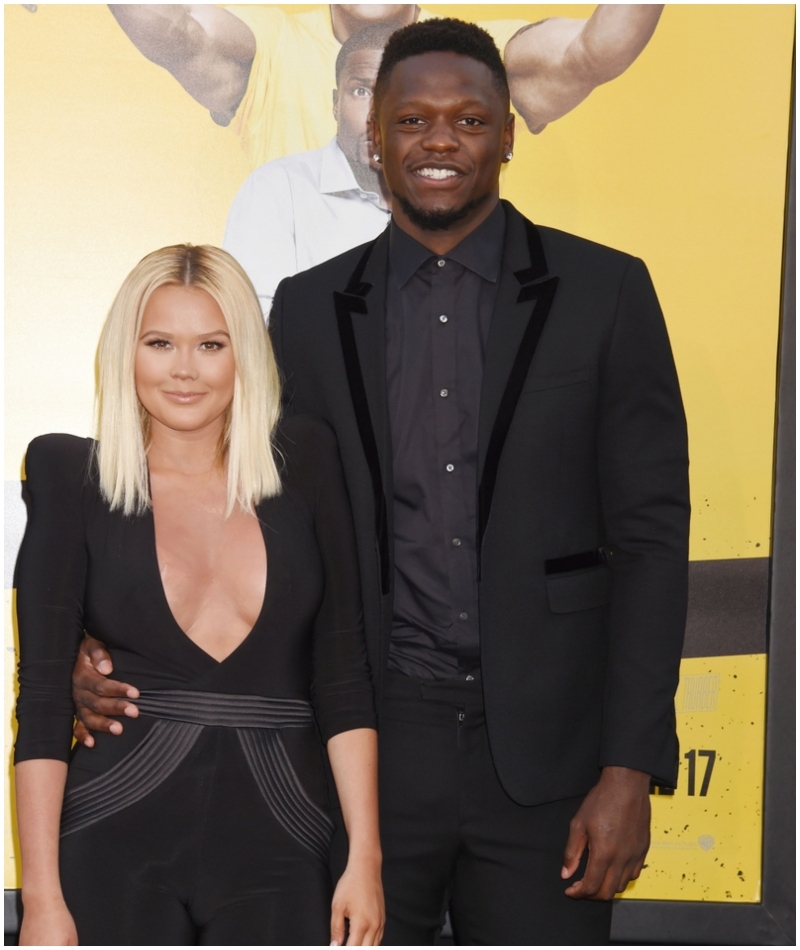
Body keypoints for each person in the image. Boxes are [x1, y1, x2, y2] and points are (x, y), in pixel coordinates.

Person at [72, 19, 690, 945]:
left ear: (509, 132)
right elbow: (221, 494)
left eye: (469, 119)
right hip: (362, 752)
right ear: (374, 136)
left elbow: (649, 543)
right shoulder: (313, 311)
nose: (439, 140)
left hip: (551, 763)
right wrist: (92, 638)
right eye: (411, 119)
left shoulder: (606, 293)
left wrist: (628, 769)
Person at [14, 245, 383, 946]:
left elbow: (344, 677)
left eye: (211, 345)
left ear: (244, 355)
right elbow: (40, 701)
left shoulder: (305, 464)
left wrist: (365, 858)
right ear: (127, 353)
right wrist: (42, 900)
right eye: (160, 343)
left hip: (287, 844)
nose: (184, 369)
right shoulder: (71, 475)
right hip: (112, 842)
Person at [108, 4, 664, 168]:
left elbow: (597, 50)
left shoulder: (475, 50)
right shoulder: (274, 43)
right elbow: (174, 29)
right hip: (298, 366)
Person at [223, 25, 394, 317]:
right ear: (335, 104)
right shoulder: (277, 189)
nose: (377, 113)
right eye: (361, 91)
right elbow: (252, 327)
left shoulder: (451, 202)